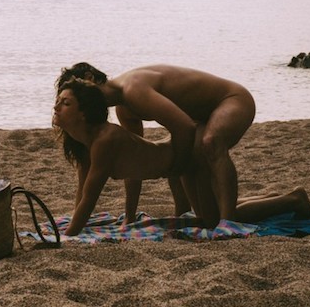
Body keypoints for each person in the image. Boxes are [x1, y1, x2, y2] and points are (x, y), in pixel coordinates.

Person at [54, 77, 310, 236]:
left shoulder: (105, 140)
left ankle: (293, 200)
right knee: (209, 212)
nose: (56, 106)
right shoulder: (86, 140)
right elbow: (85, 189)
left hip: (187, 158)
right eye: (58, 101)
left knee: (214, 219)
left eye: (66, 103)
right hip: (178, 160)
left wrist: (69, 234)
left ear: (84, 113)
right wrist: (127, 216)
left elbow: (90, 197)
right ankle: (273, 198)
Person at [57, 62, 255, 228]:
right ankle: (206, 214)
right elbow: (134, 157)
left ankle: (228, 223)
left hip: (231, 99)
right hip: (199, 120)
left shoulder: (133, 89)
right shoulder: (123, 108)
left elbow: (184, 128)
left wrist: (179, 167)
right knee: (203, 211)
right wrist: (130, 215)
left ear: (90, 77)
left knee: (210, 143)